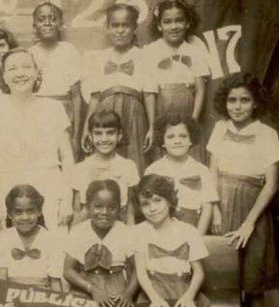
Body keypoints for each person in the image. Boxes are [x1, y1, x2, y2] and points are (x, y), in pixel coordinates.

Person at [207, 72, 279, 307]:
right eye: (232, 100)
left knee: (253, 275)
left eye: (244, 100)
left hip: (253, 208)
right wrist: (215, 208)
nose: (237, 106)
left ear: (256, 103)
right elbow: (212, 173)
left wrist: (249, 224)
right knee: (222, 271)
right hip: (223, 203)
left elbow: (271, 184)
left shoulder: (267, 133)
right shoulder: (219, 129)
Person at [0, 48, 75, 233]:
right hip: (6, 185)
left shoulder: (53, 108)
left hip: (50, 185)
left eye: (26, 67)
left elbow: (67, 157)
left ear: (37, 72)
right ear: (4, 76)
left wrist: (67, 197)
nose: (20, 73)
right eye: (13, 69)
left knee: (55, 247)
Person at [133, 174, 223, 307]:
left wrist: (189, 297)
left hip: (184, 288)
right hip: (153, 290)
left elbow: (199, 272)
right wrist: (154, 298)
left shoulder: (188, 231)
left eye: (158, 200)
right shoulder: (140, 232)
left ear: (169, 200)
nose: (152, 208)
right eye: (145, 204)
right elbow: (140, 272)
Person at [81, 3, 156, 174]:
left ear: (134, 27)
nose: (120, 30)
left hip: (134, 113)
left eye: (125, 25)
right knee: (104, 160)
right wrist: (86, 127)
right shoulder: (99, 58)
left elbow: (150, 94)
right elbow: (94, 98)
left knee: (134, 160)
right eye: (115, 25)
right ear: (107, 28)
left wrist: (151, 127)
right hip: (104, 111)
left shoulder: (144, 56)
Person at [63, 180, 138, 307]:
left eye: (111, 207)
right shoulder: (78, 231)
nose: (104, 212)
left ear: (119, 208)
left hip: (114, 289)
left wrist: (128, 293)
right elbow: (68, 270)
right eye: (98, 206)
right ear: (89, 206)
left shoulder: (126, 232)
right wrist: (92, 289)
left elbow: (139, 269)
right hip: (84, 287)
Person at [0, 184, 63, 307]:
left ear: (39, 211)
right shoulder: (4, 238)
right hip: (12, 299)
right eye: (18, 212)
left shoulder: (50, 239)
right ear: (10, 214)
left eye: (30, 211)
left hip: (41, 300)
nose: (25, 217)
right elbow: (1, 279)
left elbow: (55, 282)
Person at [144, 0, 209, 163]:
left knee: (189, 150)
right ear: (159, 26)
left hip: (188, 105)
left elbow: (200, 89)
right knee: (164, 152)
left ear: (187, 23)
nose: (173, 26)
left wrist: (193, 120)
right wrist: (152, 126)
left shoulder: (196, 50)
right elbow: (149, 92)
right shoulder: (150, 50)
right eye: (167, 22)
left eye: (179, 20)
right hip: (162, 106)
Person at [145, 113, 218, 233]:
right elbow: (148, 205)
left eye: (183, 136)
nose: (177, 141)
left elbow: (207, 207)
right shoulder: (153, 170)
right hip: (160, 227)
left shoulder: (202, 170)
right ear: (162, 141)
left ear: (191, 140)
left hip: (192, 227)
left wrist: (198, 238)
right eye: (170, 137)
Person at [29, 2, 83, 160]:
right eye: (42, 19)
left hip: (64, 112)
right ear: (35, 25)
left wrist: (76, 136)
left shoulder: (69, 50)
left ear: (60, 23)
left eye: (52, 18)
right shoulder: (30, 53)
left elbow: (76, 95)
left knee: (65, 158)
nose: (47, 23)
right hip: (37, 113)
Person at [72, 110, 139, 226]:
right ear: (90, 136)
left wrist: (130, 237)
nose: (104, 139)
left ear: (119, 135)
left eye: (110, 133)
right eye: (98, 133)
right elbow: (78, 211)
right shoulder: (81, 168)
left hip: (119, 228)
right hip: (89, 230)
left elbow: (130, 210)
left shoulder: (128, 166)